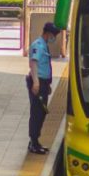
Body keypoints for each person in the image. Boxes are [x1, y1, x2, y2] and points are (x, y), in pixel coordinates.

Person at [26, 22, 60, 154]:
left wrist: (47, 85)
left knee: (41, 112)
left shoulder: (44, 45)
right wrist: (36, 83)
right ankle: (33, 142)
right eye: (54, 35)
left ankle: (35, 141)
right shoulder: (38, 45)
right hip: (38, 82)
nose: (54, 37)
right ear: (48, 33)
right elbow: (33, 63)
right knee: (37, 113)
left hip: (43, 83)